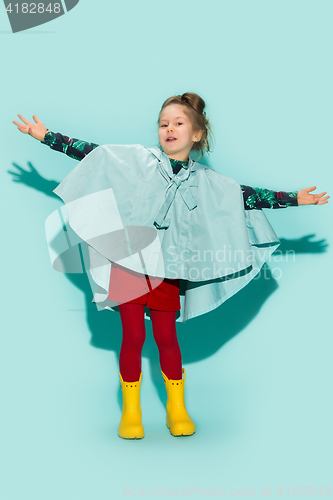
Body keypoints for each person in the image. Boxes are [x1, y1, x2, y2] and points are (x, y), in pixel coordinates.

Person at [13, 92, 329, 440]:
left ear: (196, 134)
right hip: (129, 262)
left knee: (166, 336)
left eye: (178, 123)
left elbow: (247, 196)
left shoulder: (210, 182)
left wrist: (296, 199)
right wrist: (46, 137)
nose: (169, 129)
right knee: (132, 335)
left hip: (170, 266)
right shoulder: (138, 161)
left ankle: (176, 408)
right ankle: (131, 411)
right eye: (164, 123)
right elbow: (95, 154)